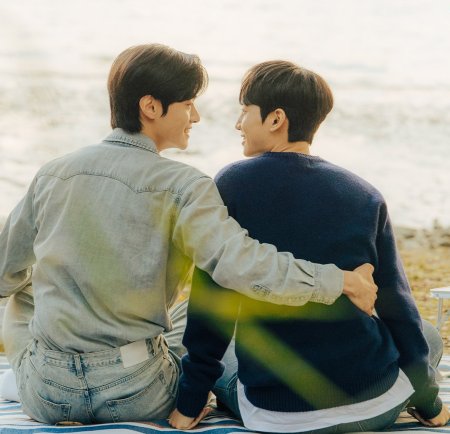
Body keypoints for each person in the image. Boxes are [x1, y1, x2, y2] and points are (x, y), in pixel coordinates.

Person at [0, 45, 377, 424]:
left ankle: (27, 377)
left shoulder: (53, 173)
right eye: (188, 104)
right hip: (137, 392)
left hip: (47, 394)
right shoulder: (186, 186)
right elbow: (241, 265)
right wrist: (338, 280)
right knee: (210, 318)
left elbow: (4, 272)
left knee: (24, 292)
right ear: (151, 106)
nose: (195, 116)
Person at [169, 60, 450, 433]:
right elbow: (399, 308)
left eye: (245, 111)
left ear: (276, 119)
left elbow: (211, 308)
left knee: (225, 357)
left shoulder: (232, 184)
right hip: (373, 404)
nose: (238, 124)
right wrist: (430, 403)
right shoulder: (365, 194)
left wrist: (189, 403)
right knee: (427, 336)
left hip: (280, 417)